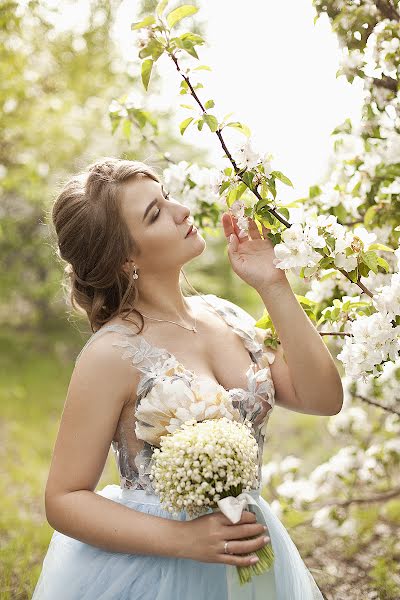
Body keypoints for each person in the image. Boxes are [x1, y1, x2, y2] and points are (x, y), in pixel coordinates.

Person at [32, 156, 341, 599]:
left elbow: (324, 398)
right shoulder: (111, 354)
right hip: (161, 569)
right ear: (124, 258)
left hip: (249, 548)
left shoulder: (226, 315)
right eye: (156, 213)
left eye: (168, 197)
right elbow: (64, 499)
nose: (182, 212)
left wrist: (274, 285)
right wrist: (185, 541)